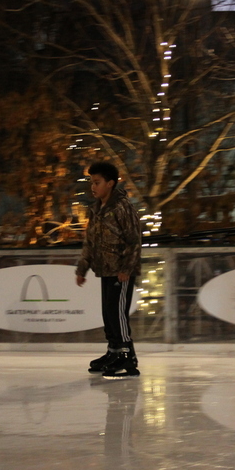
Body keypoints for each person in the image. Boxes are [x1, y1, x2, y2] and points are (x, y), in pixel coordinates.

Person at [76, 161, 142, 379]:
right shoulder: (96, 210)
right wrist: (82, 268)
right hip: (105, 269)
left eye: (97, 182)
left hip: (121, 271)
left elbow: (134, 240)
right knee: (108, 313)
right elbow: (90, 242)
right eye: (91, 183)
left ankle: (126, 355)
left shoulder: (123, 208)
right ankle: (113, 351)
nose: (93, 187)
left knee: (118, 314)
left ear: (110, 184)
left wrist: (127, 267)